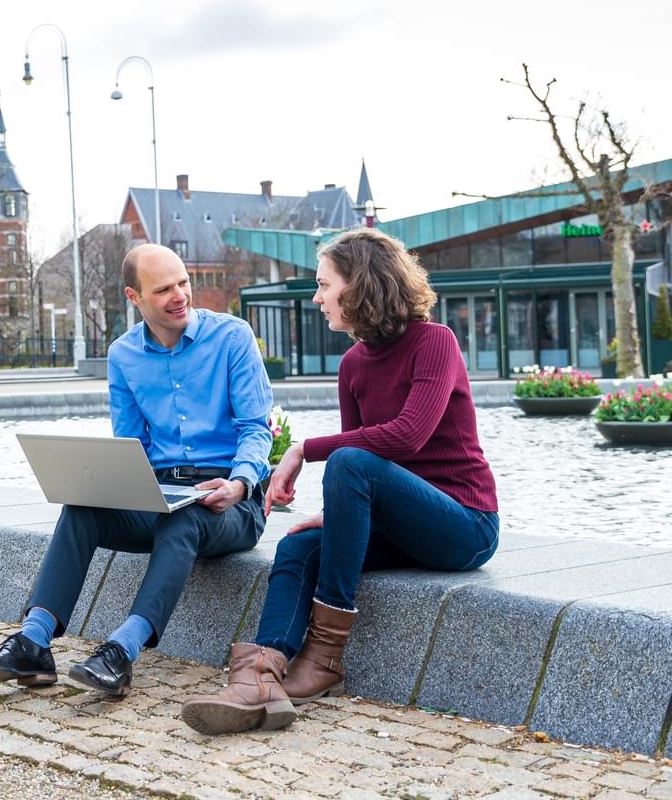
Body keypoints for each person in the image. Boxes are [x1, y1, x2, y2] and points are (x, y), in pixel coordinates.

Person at [180, 227, 499, 734]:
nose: (317, 297)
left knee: (347, 459)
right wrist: (337, 515)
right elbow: (369, 455)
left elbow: (406, 437)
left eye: (325, 284)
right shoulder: (352, 364)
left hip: (464, 525)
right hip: (400, 526)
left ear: (362, 284)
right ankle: (261, 674)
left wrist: (306, 449)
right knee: (298, 546)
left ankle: (326, 657)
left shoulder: (435, 342)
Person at [0, 243, 272, 697]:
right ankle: (33, 641)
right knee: (82, 507)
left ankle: (122, 652)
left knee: (184, 518)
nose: (180, 295)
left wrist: (240, 482)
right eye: (164, 289)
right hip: (164, 492)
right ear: (135, 297)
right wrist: (115, 483)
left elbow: (256, 429)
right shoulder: (123, 356)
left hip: (232, 501)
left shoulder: (233, 338)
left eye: (183, 283)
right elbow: (133, 446)